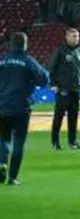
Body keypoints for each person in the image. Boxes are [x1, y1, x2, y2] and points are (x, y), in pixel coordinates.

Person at [0, 33, 50, 186]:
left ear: (11, 44)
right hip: (22, 108)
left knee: (3, 139)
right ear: (25, 44)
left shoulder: (2, 60)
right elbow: (44, 80)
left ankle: (2, 163)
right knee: (19, 143)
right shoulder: (28, 61)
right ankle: (12, 178)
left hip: (2, 106)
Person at [48, 27, 80, 151]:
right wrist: (53, 84)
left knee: (73, 116)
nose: (76, 38)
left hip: (75, 88)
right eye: (73, 36)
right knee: (59, 116)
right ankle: (55, 142)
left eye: (77, 36)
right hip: (62, 89)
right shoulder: (60, 51)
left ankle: (72, 141)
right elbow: (51, 68)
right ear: (67, 37)